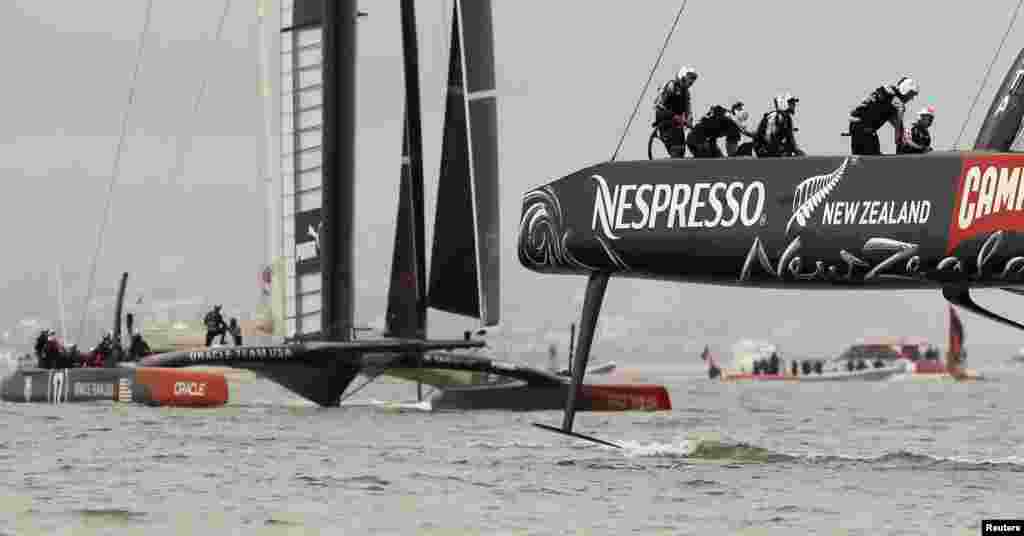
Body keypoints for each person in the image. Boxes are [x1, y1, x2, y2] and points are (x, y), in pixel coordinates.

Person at [848, 77, 919, 155]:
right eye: (911, 94)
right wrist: (902, 145)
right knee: (873, 160)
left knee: (860, 159)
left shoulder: (885, 91)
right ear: (905, 90)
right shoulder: (898, 105)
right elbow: (898, 128)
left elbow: (884, 113)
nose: (911, 98)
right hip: (865, 131)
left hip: (855, 127)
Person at [652, 66, 699, 157]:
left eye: (693, 79)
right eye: (690, 78)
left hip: (677, 125)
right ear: (683, 76)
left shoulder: (686, 93)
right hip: (665, 123)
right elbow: (658, 105)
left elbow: (688, 110)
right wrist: (674, 116)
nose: (692, 82)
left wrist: (689, 119)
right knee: (676, 148)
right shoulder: (671, 86)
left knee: (681, 150)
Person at [686, 100, 751, 158]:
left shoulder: (723, 111)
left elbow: (707, 122)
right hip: (698, 140)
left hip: (699, 138)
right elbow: (731, 152)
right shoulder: (733, 125)